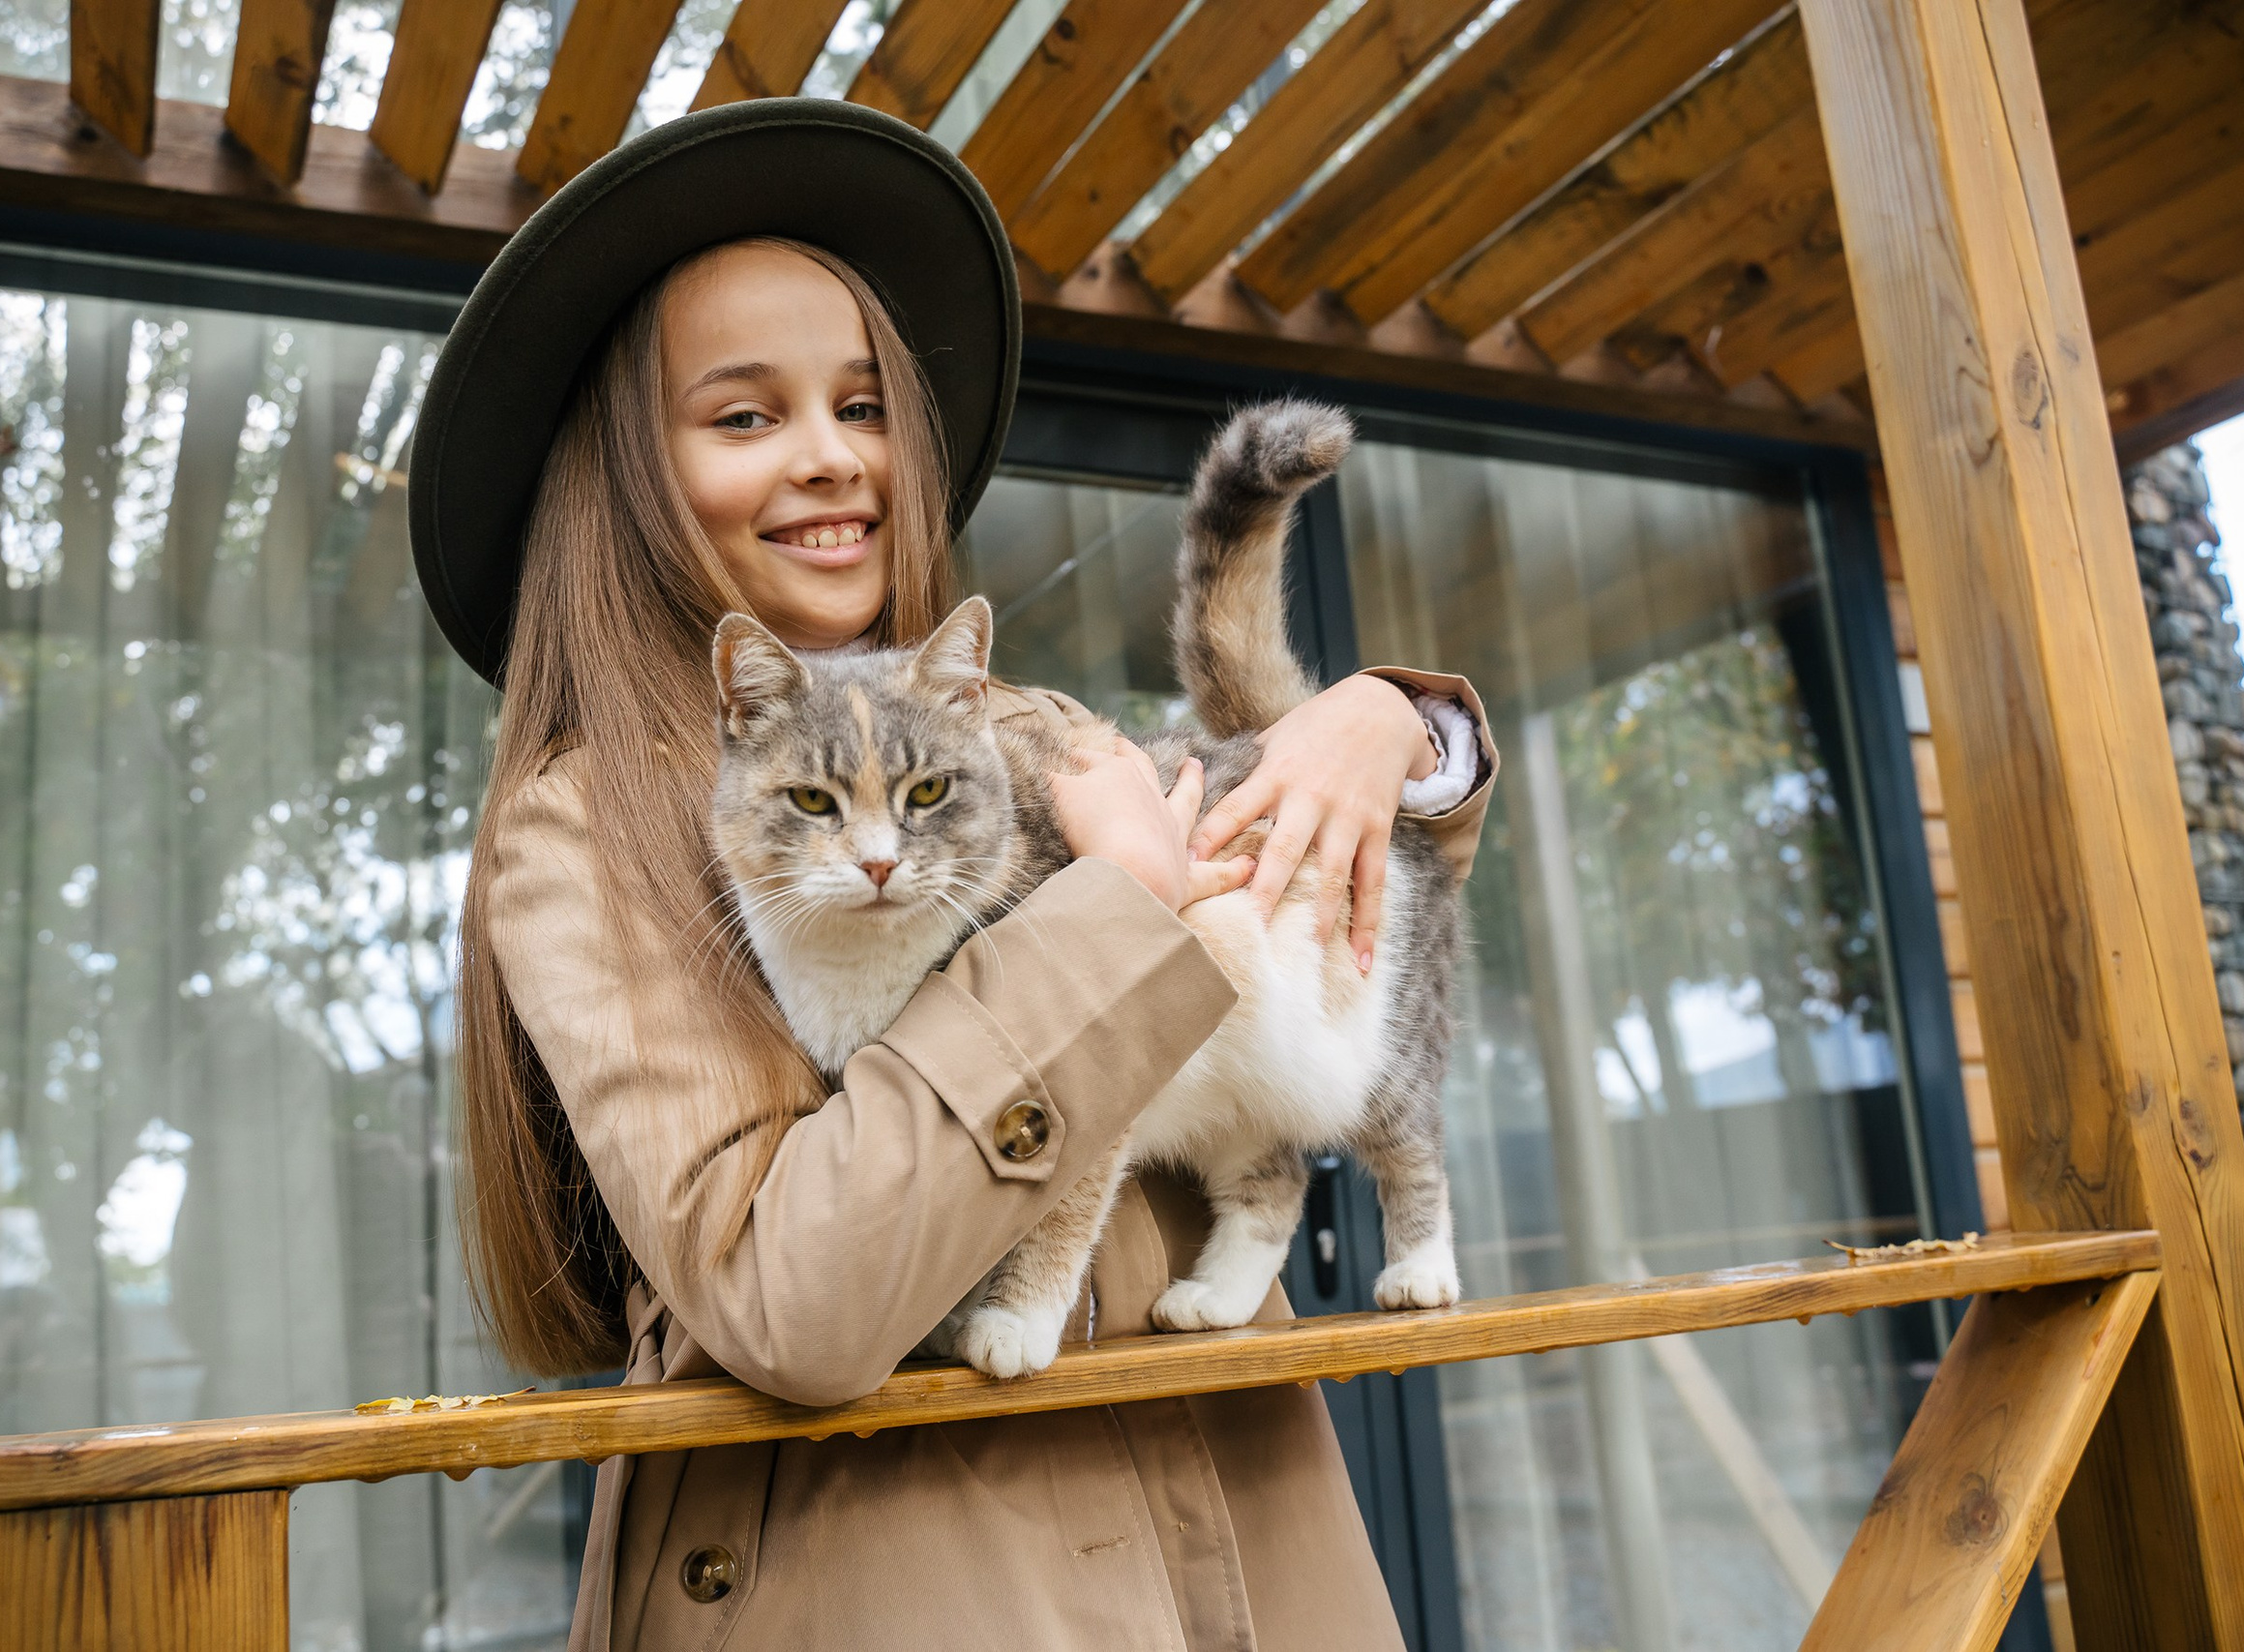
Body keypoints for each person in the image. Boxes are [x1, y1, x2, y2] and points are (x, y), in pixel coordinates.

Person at [407, 101, 1498, 1652]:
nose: (835, 456)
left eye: (863, 405)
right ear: (625, 478)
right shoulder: (583, 829)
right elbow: (799, 1305)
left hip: (1240, 1521)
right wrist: (1114, 913)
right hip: (904, 1570)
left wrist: (1396, 727)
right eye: (744, 416)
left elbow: (1357, 939)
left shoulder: (1020, 725)